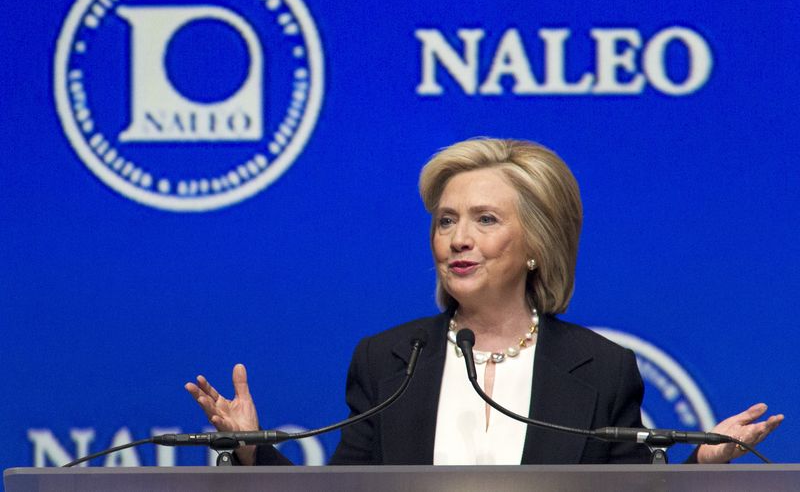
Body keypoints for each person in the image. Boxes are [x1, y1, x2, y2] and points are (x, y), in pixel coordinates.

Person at [186, 138, 783, 465]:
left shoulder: (600, 368)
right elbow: (345, 491)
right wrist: (249, 448)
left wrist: (702, 467)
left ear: (534, 247)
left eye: (485, 219)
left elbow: (626, 491)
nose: (458, 238)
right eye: (446, 221)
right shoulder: (390, 359)